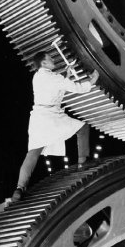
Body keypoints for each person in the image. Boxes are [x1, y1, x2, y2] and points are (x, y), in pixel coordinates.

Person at [11, 51, 99, 202]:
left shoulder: (37, 76)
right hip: (52, 116)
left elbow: (58, 89)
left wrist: (67, 75)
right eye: (50, 59)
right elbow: (76, 88)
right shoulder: (54, 77)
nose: (53, 60)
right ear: (44, 63)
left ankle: (19, 189)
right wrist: (92, 81)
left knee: (32, 153)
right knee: (83, 128)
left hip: (38, 117)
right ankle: (83, 162)